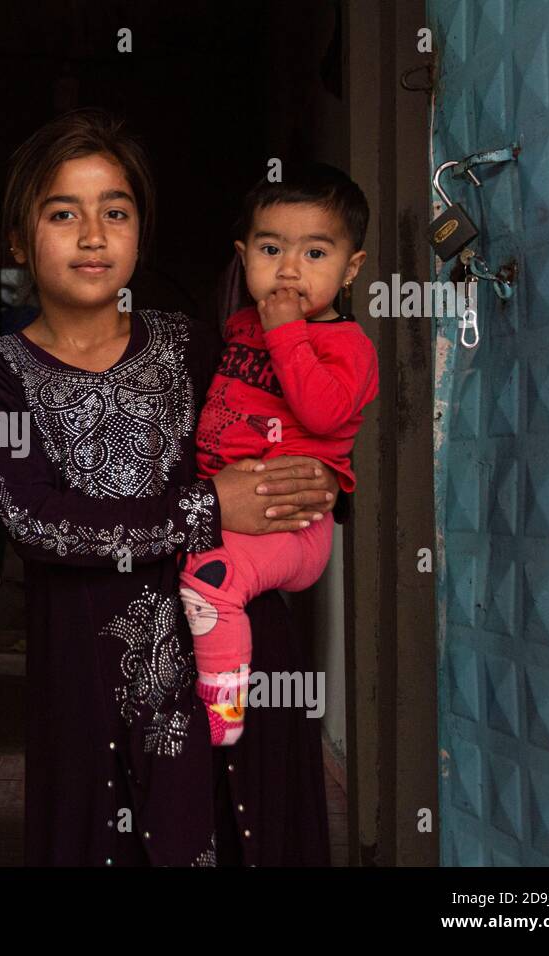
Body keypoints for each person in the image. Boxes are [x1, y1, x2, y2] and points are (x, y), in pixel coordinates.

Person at [0, 108, 340, 866]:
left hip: (231, 650)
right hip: (90, 665)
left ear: (139, 232)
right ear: (16, 240)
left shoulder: (193, 342)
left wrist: (316, 472)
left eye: (116, 212)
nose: (93, 235)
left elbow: (277, 429)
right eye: (63, 213)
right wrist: (210, 506)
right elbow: (39, 523)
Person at [180, 163, 377, 746]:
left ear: (352, 268)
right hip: (234, 510)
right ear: (245, 256)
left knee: (209, 580)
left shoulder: (348, 345)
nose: (289, 270)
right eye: (271, 249)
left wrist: (288, 333)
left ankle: (224, 711)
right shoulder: (242, 325)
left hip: (292, 526)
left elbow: (322, 414)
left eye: (315, 254)